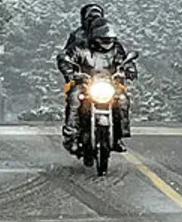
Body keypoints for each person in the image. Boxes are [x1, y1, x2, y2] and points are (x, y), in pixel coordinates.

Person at [57, 13, 135, 154]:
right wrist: (71, 73)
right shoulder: (80, 47)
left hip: (110, 83)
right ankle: (72, 136)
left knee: (122, 100)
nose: (106, 41)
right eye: (103, 38)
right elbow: (66, 59)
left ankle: (118, 135)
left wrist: (129, 70)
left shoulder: (116, 48)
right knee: (74, 98)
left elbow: (125, 61)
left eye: (109, 39)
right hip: (85, 83)